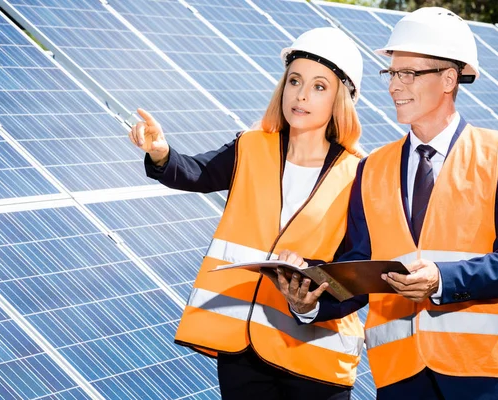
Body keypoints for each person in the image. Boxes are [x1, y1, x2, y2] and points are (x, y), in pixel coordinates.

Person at [279, 8, 498, 400]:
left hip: (490, 376)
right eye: (392, 73)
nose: (393, 86)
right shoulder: (372, 168)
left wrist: (442, 279)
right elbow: (358, 269)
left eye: (409, 73)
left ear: (449, 79)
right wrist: (308, 300)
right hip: (403, 381)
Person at [128, 27, 366, 400]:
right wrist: (160, 152)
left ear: (342, 100)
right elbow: (198, 172)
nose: (301, 94)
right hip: (243, 349)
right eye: (294, 81)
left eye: (319, 86)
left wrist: (312, 298)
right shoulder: (251, 146)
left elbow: (358, 269)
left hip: (316, 358)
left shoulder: (361, 175)